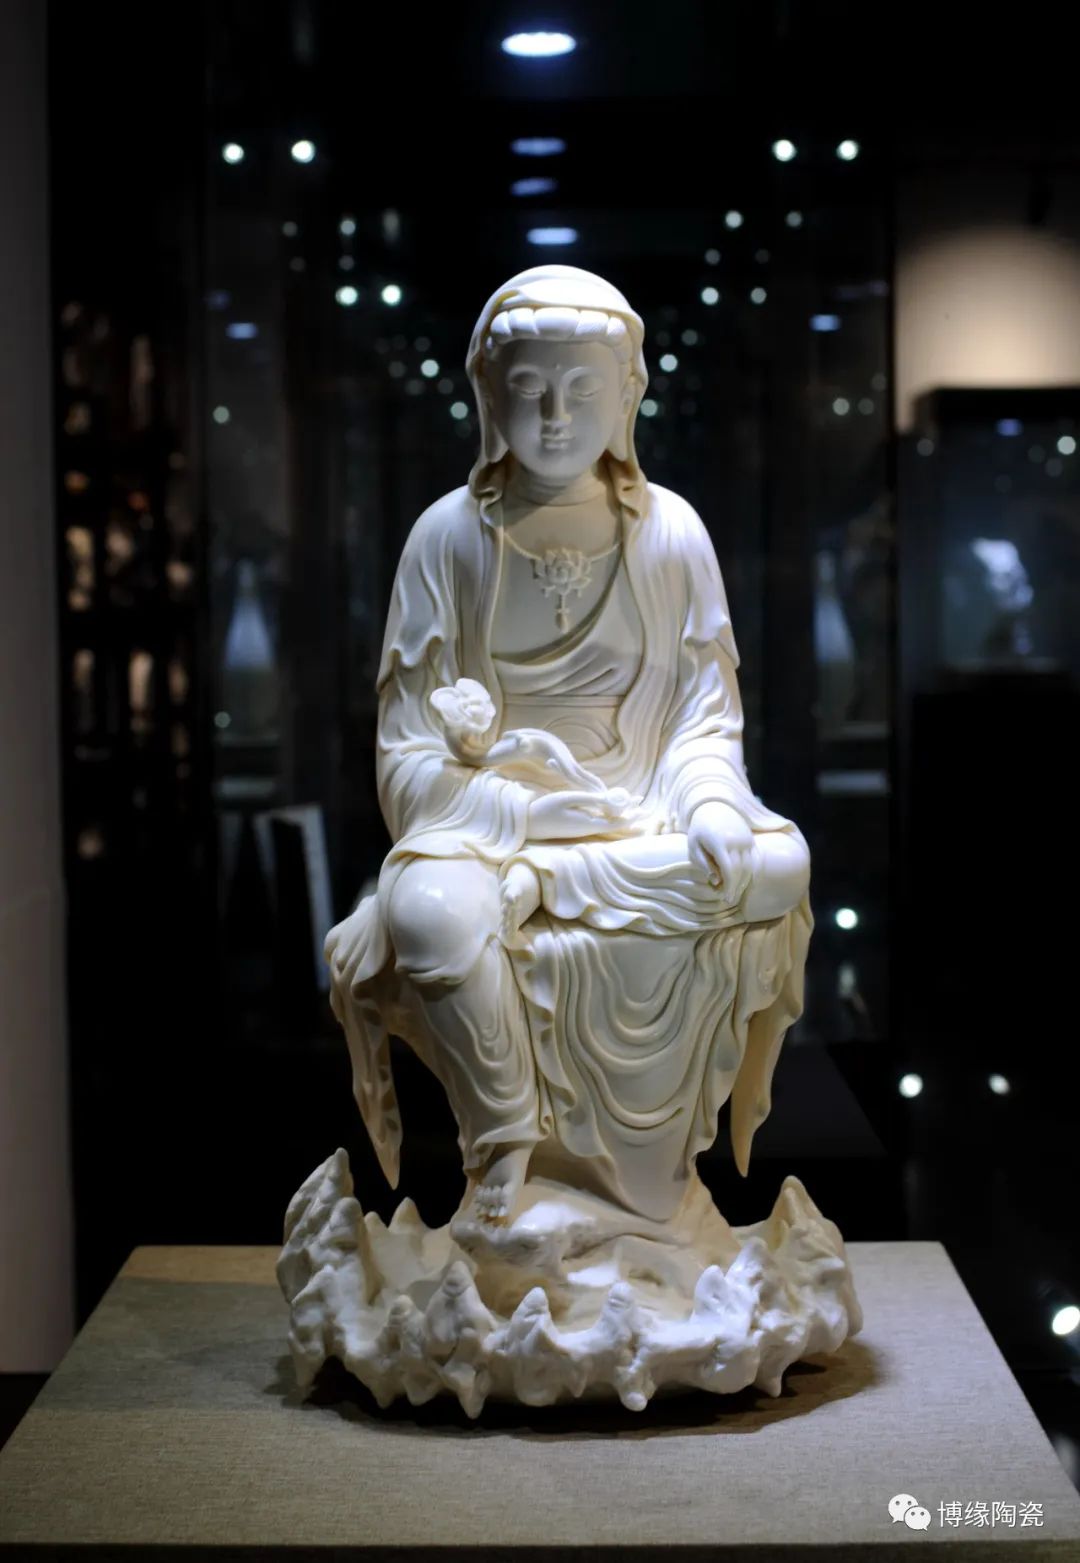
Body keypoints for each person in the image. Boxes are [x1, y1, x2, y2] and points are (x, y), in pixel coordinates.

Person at [326, 264, 811, 1232]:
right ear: (487, 394)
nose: (555, 417)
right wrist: (522, 813)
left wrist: (712, 802)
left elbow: (703, 720)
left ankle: (650, 1185)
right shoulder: (446, 540)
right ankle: (504, 1147)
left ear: (628, 394)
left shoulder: (671, 533)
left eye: (583, 388)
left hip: (642, 823)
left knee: (779, 865)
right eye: (529, 388)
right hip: (496, 826)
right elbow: (406, 756)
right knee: (426, 911)